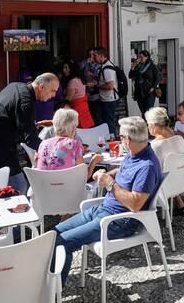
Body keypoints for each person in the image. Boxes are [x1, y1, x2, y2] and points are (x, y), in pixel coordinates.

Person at [51, 116, 162, 285]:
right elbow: (124, 170)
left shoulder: (147, 167)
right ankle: (45, 281)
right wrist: (107, 174)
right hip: (102, 210)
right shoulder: (136, 153)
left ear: (128, 140)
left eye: (121, 137)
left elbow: (135, 203)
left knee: (62, 243)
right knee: (53, 235)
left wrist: (109, 183)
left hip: (118, 221)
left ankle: (54, 291)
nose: (120, 141)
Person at [0, 73, 59, 194]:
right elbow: (29, 138)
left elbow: (12, 118)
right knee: (17, 187)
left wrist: (35, 124)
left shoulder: (16, 86)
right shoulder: (26, 102)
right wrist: (53, 150)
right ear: (41, 87)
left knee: (13, 186)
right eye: (52, 91)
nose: (54, 95)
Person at [35, 108, 102, 173]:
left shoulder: (43, 144)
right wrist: (93, 162)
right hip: (69, 184)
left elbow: (37, 162)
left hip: (43, 183)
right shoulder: (75, 144)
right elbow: (83, 177)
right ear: (73, 128)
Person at [89, 47, 119, 136]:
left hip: (109, 100)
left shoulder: (107, 68)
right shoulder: (104, 66)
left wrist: (95, 85)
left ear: (102, 56)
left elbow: (110, 86)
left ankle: (112, 142)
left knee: (109, 123)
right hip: (106, 99)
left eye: (95, 55)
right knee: (107, 122)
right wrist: (94, 77)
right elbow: (104, 80)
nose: (93, 57)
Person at [61, 60, 94, 129]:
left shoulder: (72, 81)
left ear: (72, 69)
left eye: (66, 68)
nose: (64, 70)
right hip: (84, 109)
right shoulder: (80, 79)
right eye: (64, 68)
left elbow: (68, 98)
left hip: (77, 110)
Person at [129, 51, 162, 118]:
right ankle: (145, 126)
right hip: (139, 92)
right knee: (143, 111)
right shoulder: (138, 66)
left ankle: (149, 126)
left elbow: (157, 79)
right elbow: (130, 76)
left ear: (147, 57)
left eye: (141, 57)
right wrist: (133, 66)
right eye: (139, 57)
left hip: (149, 92)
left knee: (148, 111)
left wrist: (153, 87)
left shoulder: (152, 66)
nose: (140, 59)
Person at [80, 48, 102, 126]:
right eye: (89, 55)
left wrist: (92, 75)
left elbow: (100, 78)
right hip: (86, 92)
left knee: (97, 114)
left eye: (93, 55)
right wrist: (86, 62)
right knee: (89, 115)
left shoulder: (99, 65)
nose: (91, 56)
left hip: (96, 93)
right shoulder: (85, 63)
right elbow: (78, 69)